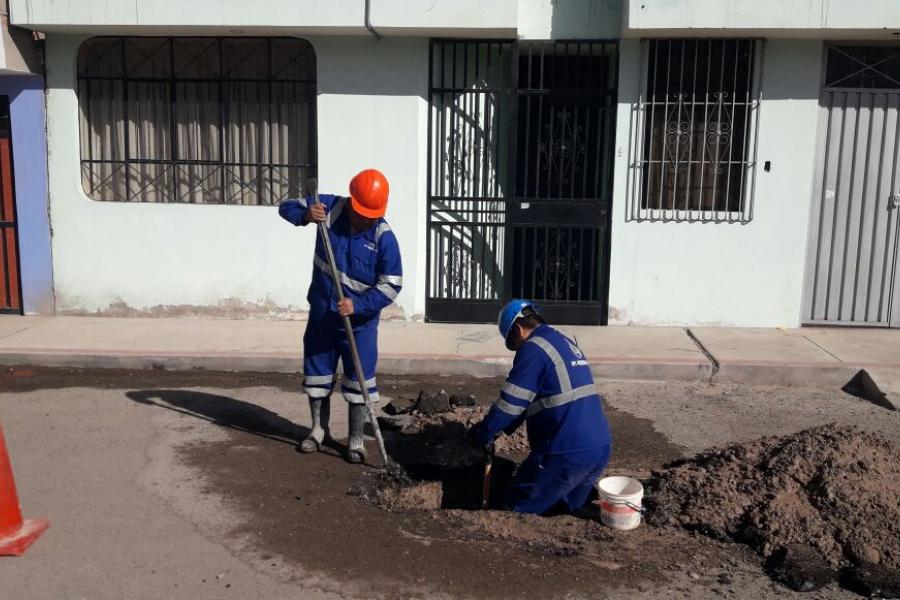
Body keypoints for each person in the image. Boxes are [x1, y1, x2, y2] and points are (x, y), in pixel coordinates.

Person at [278, 169, 402, 463]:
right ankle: (318, 431)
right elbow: (285, 207)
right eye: (361, 212)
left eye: (371, 214)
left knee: (359, 383)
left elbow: (392, 284)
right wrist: (307, 215)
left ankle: (356, 440)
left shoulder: (384, 238)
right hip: (323, 314)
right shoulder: (328, 209)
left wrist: (358, 305)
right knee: (317, 375)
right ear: (351, 200)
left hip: (359, 325)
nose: (364, 219)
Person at [469, 299, 612, 514]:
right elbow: (533, 400)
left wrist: (483, 433)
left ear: (518, 330)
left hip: (565, 451)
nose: (517, 351)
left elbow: (510, 404)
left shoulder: (533, 349)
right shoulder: (564, 343)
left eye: (514, 345)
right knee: (562, 513)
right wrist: (500, 430)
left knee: (516, 507)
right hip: (598, 449)